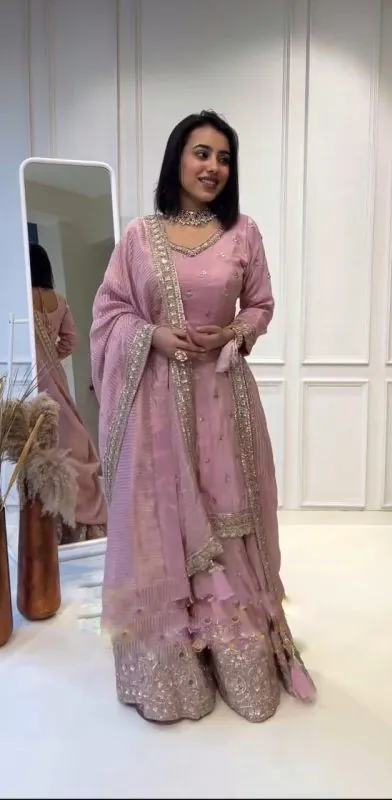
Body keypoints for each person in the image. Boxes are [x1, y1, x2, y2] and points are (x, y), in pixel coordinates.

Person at [90, 110, 316, 724]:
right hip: (156, 406)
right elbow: (109, 312)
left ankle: (236, 652)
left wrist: (235, 332)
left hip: (223, 402)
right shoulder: (139, 236)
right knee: (162, 517)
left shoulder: (243, 232)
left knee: (227, 516)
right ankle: (172, 670)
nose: (213, 167)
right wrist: (152, 336)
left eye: (224, 157)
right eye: (201, 153)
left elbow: (261, 304)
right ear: (178, 158)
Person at [30, 243, 107, 543]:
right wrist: (53, 358)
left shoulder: (20, 296)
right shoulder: (58, 300)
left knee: (43, 442)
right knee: (70, 437)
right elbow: (72, 340)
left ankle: (52, 523)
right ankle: (83, 518)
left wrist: (40, 359)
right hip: (56, 376)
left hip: (33, 377)